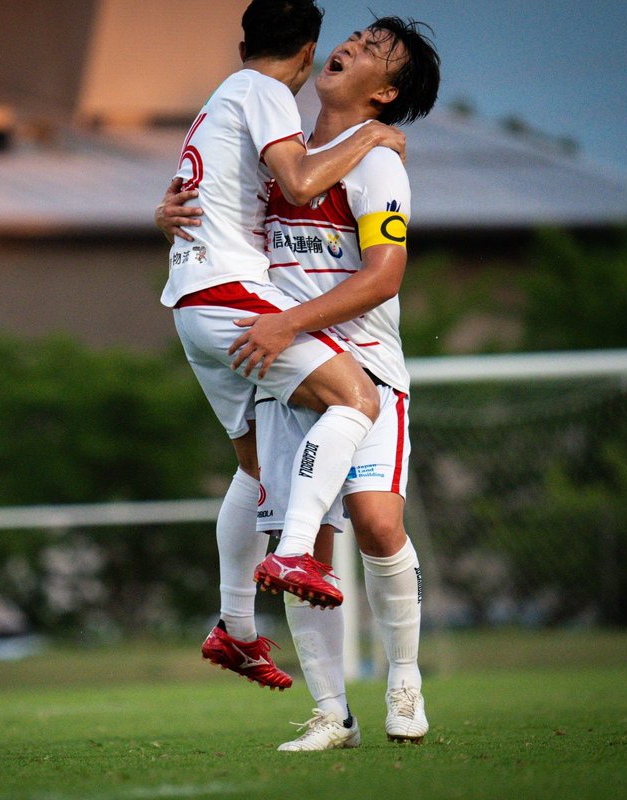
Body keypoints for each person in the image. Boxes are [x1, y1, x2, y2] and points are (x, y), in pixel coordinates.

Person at [160, 16, 440, 748]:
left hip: (361, 366)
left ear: (385, 92)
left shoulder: (376, 165)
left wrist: (288, 324)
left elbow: (386, 276)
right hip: (288, 369)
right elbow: (210, 209)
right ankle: (330, 714)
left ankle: (405, 680)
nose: (352, 47)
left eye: (376, 51)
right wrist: (167, 215)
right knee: (301, 542)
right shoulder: (280, 154)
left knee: (378, 524)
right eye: (354, 36)